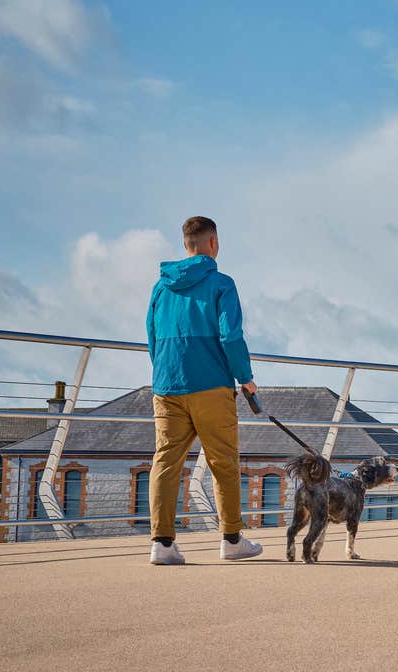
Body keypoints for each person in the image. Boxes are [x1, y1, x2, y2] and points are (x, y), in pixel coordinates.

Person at [145, 216, 263, 565]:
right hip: (211, 385)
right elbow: (230, 336)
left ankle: (162, 545)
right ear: (214, 243)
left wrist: (166, 372)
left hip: (167, 384)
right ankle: (231, 540)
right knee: (223, 463)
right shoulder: (222, 284)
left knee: (165, 463)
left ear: (186, 245)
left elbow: (152, 338)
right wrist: (245, 377)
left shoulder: (160, 288)